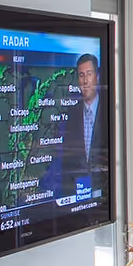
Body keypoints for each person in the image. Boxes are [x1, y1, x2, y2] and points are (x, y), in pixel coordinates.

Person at [56, 52, 111, 199]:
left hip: (105, 196)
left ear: (97, 76)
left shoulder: (109, 110)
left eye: (89, 74)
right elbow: (67, 162)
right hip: (77, 196)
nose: (85, 80)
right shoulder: (72, 113)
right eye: (81, 75)